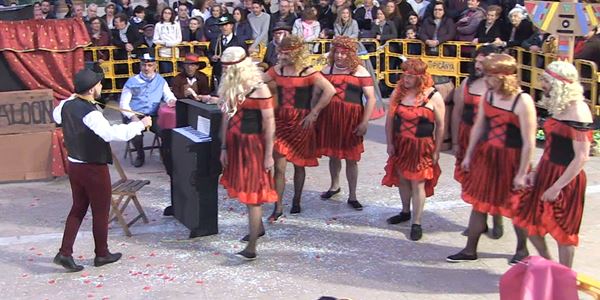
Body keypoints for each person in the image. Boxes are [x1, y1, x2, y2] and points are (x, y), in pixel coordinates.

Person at [52, 68, 152, 272]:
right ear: (90, 89)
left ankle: (65, 252)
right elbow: (112, 134)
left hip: (75, 165)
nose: (100, 87)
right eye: (98, 85)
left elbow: (58, 114)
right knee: (100, 211)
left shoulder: (66, 105)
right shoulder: (90, 113)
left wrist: (76, 95)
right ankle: (101, 253)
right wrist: (140, 125)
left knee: (78, 208)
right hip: (92, 168)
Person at [446, 53, 535, 263]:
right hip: (486, 156)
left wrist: (522, 173)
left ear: (503, 77)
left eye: (490, 76)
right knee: (479, 203)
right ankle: (470, 250)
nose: (485, 80)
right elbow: (479, 126)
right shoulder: (490, 95)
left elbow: (529, 142)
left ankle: (522, 250)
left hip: (512, 159)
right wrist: (468, 154)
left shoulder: (523, 101)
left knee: (515, 206)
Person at [512, 61, 593, 268]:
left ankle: (565, 274)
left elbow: (581, 156)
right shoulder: (559, 105)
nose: (542, 84)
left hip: (565, 177)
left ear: (559, 84)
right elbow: (551, 146)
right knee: (528, 221)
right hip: (547, 169)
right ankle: (550, 264)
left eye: (546, 81)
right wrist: (537, 171)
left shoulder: (578, 111)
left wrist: (557, 186)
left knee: (563, 229)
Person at [263, 35, 335, 220]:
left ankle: (296, 199)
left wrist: (315, 112)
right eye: (280, 51)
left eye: (285, 53)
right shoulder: (276, 70)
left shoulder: (308, 71)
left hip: (300, 121)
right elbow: (257, 84)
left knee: (299, 165)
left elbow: (330, 90)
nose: (281, 55)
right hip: (280, 121)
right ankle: (277, 206)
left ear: (296, 53)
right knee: (279, 167)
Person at [218, 46, 277, 260]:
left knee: (253, 197)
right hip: (234, 147)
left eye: (227, 68)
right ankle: (257, 229)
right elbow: (226, 118)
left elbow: (270, 123)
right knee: (246, 192)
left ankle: (252, 246)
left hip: (253, 148)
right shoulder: (229, 85)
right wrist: (223, 147)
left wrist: (269, 154)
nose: (224, 71)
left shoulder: (259, 89)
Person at [382, 58, 445, 241]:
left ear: (420, 77)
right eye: (404, 74)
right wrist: (390, 143)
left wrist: (437, 150)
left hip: (422, 145)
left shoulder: (434, 96)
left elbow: (440, 126)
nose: (406, 78)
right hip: (401, 143)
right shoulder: (399, 92)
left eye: (410, 76)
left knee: (418, 182)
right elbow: (389, 121)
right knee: (402, 179)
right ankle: (404, 211)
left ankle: (416, 222)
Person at [317, 36, 376, 211]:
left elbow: (371, 98)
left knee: (351, 158)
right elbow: (317, 93)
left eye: (344, 53)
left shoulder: (360, 71)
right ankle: (334, 186)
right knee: (333, 155)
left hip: (352, 118)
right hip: (331, 117)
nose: (340, 56)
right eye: (337, 52)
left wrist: (365, 121)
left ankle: (353, 195)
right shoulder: (327, 69)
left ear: (351, 54)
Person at [452, 46, 504, 238]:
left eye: (483, 62)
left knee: (490, 181)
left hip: (489, 140)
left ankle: (496, 216)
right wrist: (456, 142)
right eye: (477, 61)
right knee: (473, 181)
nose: (478, 65)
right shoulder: (467, 83)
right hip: (468, 137)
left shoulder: (500, 87)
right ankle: (478, 222)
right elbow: (457, 112)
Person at [119, 53, 177, 168]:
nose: (146, 68)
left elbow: (168, 95)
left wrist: (171, 100)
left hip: (153, 115)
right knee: (135, 133)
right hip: (136, 114)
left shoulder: (161, 81)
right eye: (144, 65)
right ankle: (140, 155)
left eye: (150, 65)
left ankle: (165, 155)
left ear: (155, 66)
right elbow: (123, 104)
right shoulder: (132, 82)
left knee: (166, 131)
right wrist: (133, 117)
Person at [207, 15, 247, 90]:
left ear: (231, 26)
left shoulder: (239, 41)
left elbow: (244, 57)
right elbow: (209, 53)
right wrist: (212, 58)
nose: (224, 28)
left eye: (226, 25)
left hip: (234, 74)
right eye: (221, 26)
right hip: (218, 73)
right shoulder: (215, 40)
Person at [154, 7, 182, 75]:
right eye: (165, 13)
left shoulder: (176, 24)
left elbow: (179, 38)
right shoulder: (158, 25)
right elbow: (155, 40)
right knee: (166, 72)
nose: (167, 15)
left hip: (175, 52)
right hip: (163, 53)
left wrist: (171, 44)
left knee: (175, 72)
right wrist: (165, 43)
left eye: (169, 13)